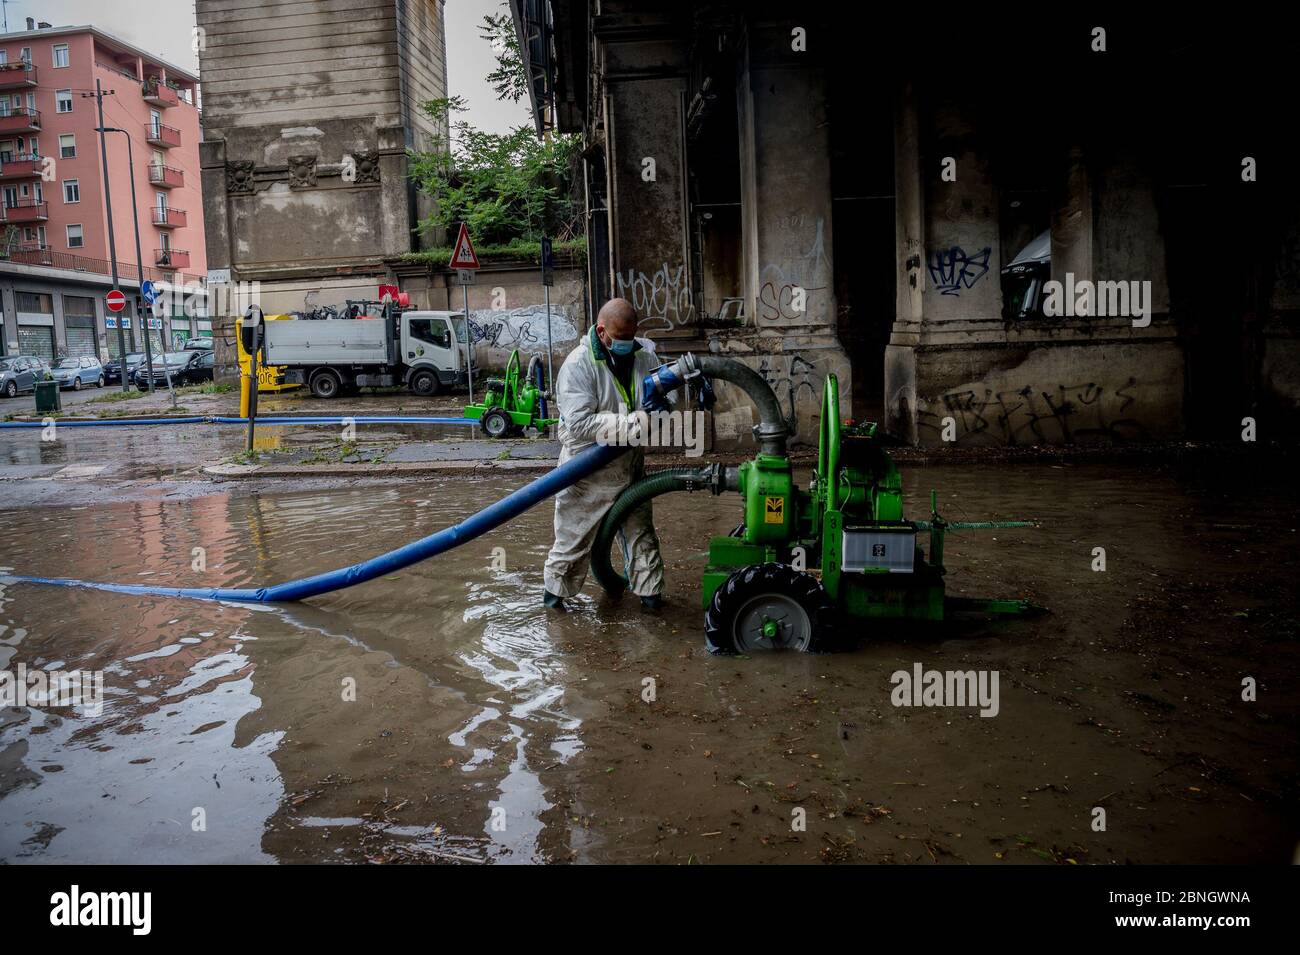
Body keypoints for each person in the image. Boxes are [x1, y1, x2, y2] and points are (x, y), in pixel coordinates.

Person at [543, 298, 665, 611]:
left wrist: (666, 403)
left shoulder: (644, 354)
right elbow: (581, 424)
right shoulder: (578, 365)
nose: (627, 344)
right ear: (601, 332)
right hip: (587, 468)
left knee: (642, 536)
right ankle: (553, 605)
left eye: (631, 337)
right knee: (573, 542)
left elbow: (664, 394)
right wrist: (633, 422)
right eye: (620, 338)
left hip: (629, 463)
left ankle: (652, 603)